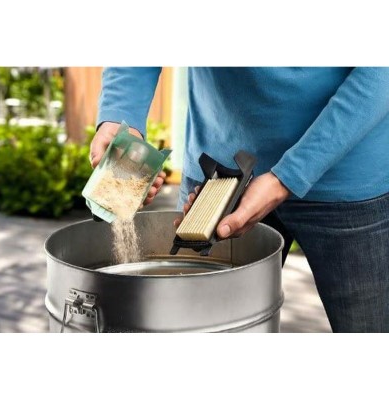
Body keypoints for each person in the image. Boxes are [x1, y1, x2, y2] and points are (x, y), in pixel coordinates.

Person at [90, 67, 389, 333]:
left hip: (348, 171)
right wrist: (121, 116)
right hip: (218, 173)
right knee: (198, 329)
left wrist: (289, 176)